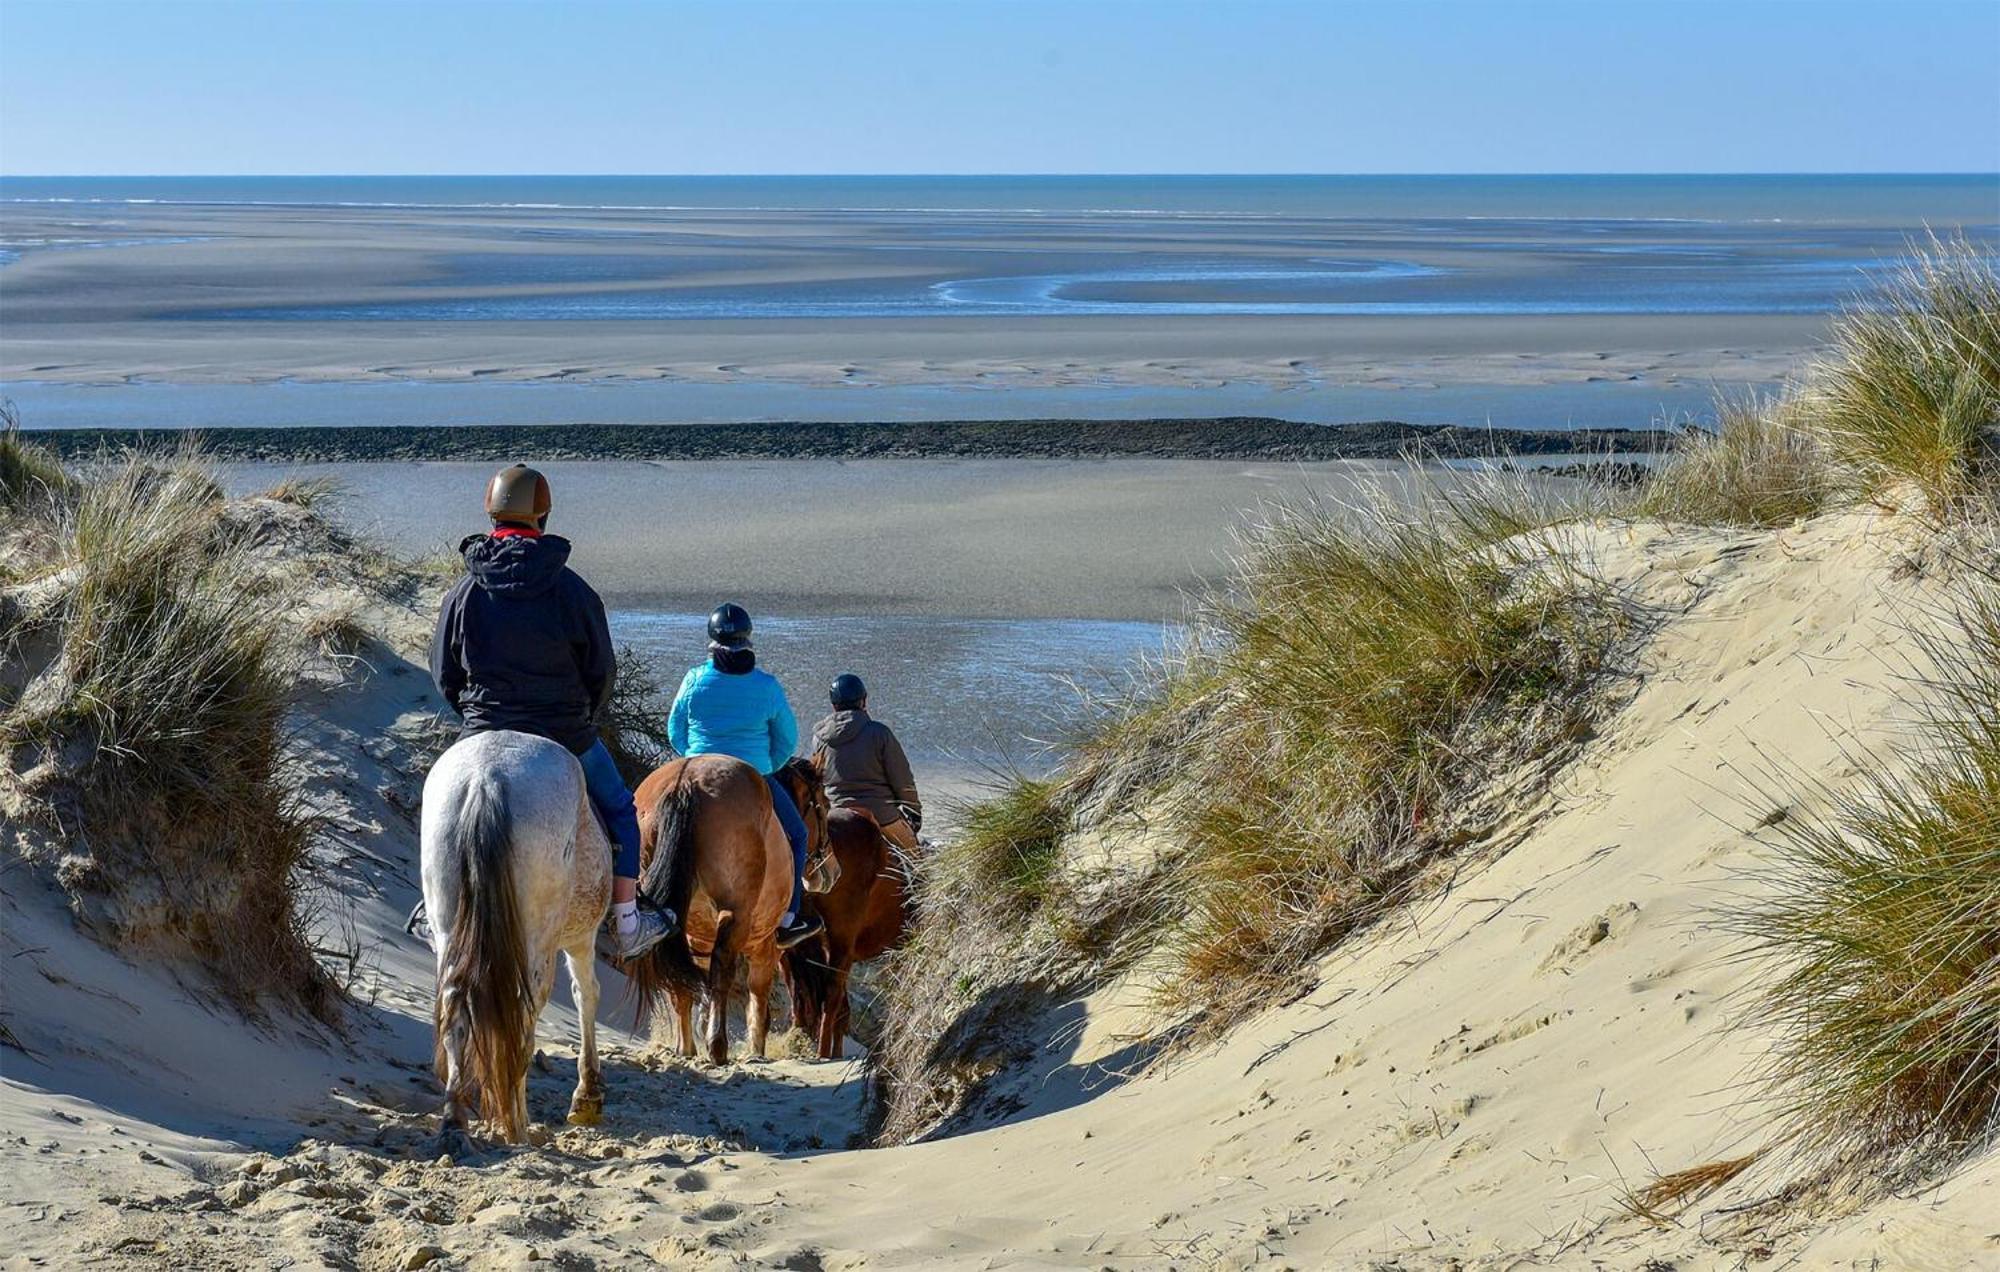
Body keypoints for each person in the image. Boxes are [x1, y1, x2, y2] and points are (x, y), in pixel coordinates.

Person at [429, 463, 672, 959]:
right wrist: (584, 718)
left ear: (492, 512)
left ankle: (429, 907)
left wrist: (476, 718)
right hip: (562, 730)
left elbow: (443, 672)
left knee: (438, 805)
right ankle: (627, 924)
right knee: (621, 811)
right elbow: (601, 671)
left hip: (483, 727)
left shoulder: (463, 593)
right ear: (543, 514)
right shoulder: (573, 591)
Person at [667, 604, 823, 949]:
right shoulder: (766, 686)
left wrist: (691, 759)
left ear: (712, 640)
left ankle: (639, 903)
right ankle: (788, 919)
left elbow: (675, 731)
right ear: (747, 638)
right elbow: (787, 740)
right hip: (754, 773)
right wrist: (766, 767)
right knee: (797, 835)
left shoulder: (694, 679)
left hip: (696, 767)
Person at [810, 674, 923, 852]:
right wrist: (913, 809)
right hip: (881, 814)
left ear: (834, 705)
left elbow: (818, 780)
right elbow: (902, 778)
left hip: (836, 813)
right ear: (863, 701)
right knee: (916, 861)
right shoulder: (880, 733)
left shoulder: (819, 738)